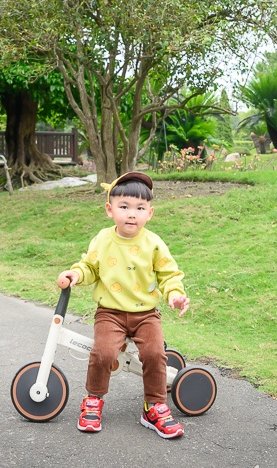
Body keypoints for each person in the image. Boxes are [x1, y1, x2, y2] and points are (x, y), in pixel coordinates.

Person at [56, 171, 190, 438]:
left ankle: (154, 406)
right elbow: (90, 267)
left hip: (146, 314)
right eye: (124, 207)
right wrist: (75, 275)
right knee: (103, 353)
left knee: (154, 354)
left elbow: (168, 274)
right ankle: (93, 400)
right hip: (110, 313)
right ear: (110, 209)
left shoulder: (154, 244)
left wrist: (174, 295)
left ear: (149, 213)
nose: (132, 214)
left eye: (140, 208)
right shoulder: (104, 240)